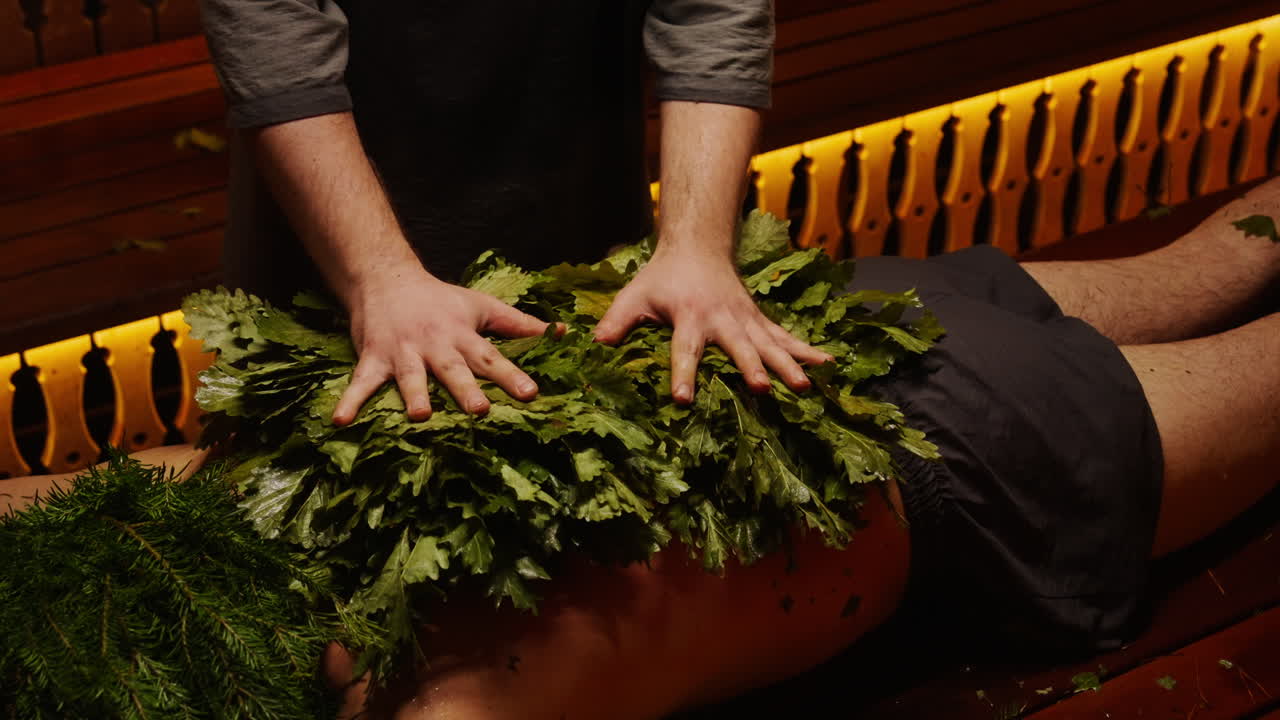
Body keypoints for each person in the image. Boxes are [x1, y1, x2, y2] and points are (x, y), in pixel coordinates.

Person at [5, 177, 1277, 719]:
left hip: (956, 450)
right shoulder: (199, 484)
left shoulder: (453, 697)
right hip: (778, 336)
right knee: (1204, 263)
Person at [196, 0, 831, 428]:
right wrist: (378, 275)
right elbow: (270, 31)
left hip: (595, 277)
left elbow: (711, 11)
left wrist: (694, 246)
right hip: (337, 293)